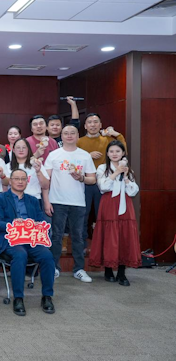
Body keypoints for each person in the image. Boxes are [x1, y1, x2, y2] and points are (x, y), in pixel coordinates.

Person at [0, 169, 56, 316]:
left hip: (31, 239)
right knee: (20, 255)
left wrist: (37, 225)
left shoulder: (33, 200)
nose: (20, 182)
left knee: (47, 256)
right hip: (11, 239)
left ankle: (47, 296)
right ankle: (18, 298)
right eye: (16, 179)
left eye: (23, 179)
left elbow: (41, 220)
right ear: (10, 181)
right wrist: (13, 224)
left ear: (27, 182)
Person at [44, 124, 96, 283]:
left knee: (78, 236)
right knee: (56, 236)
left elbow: (92, 179)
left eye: (72, 133)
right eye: (66, 133)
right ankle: (54, 267)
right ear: (61, 136)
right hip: (57, 201)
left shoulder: (85, 156)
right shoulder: (53, 155)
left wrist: (81, 178)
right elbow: (46, 181)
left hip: (78, 202)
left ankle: (79, 269)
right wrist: (46, 201)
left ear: (77, 135)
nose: (69, 135)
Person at [89, 141, 141, 285]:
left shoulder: (128, 169)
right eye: (111, 151)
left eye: (118, 151)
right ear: (107, 153)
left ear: (123, 153)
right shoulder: (102, 168)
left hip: (125, 205)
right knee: (109, 235)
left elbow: (133, 191)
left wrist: (125, 176)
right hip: (109, 204)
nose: (114, 154)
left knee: (124, 235)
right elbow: (103, 186)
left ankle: (122, 272)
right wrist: (116, 173)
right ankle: (108, 269)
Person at [77, 113, 127, 252]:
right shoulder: (79, 141)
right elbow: (73, 159)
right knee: (83, 214)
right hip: (84, 182)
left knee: (102, 214)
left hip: (104, 183)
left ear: (100, 125)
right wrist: (88, 155)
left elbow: (122, 149)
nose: (92, 125)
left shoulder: (107, 140)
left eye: (95, 122)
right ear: (85, 126)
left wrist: (117, 134)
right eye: (89, 122)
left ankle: (103, 245)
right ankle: (82, 244)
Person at [6, 138, 50, 213]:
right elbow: (5, 186)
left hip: (34, 200)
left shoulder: (36, 164)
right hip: (13, 201)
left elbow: (45, 186)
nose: (21, 150)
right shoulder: (7, 166)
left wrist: (38, 171)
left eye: (24, 147)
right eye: (18, 147)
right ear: (13, 150)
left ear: (28, 149)